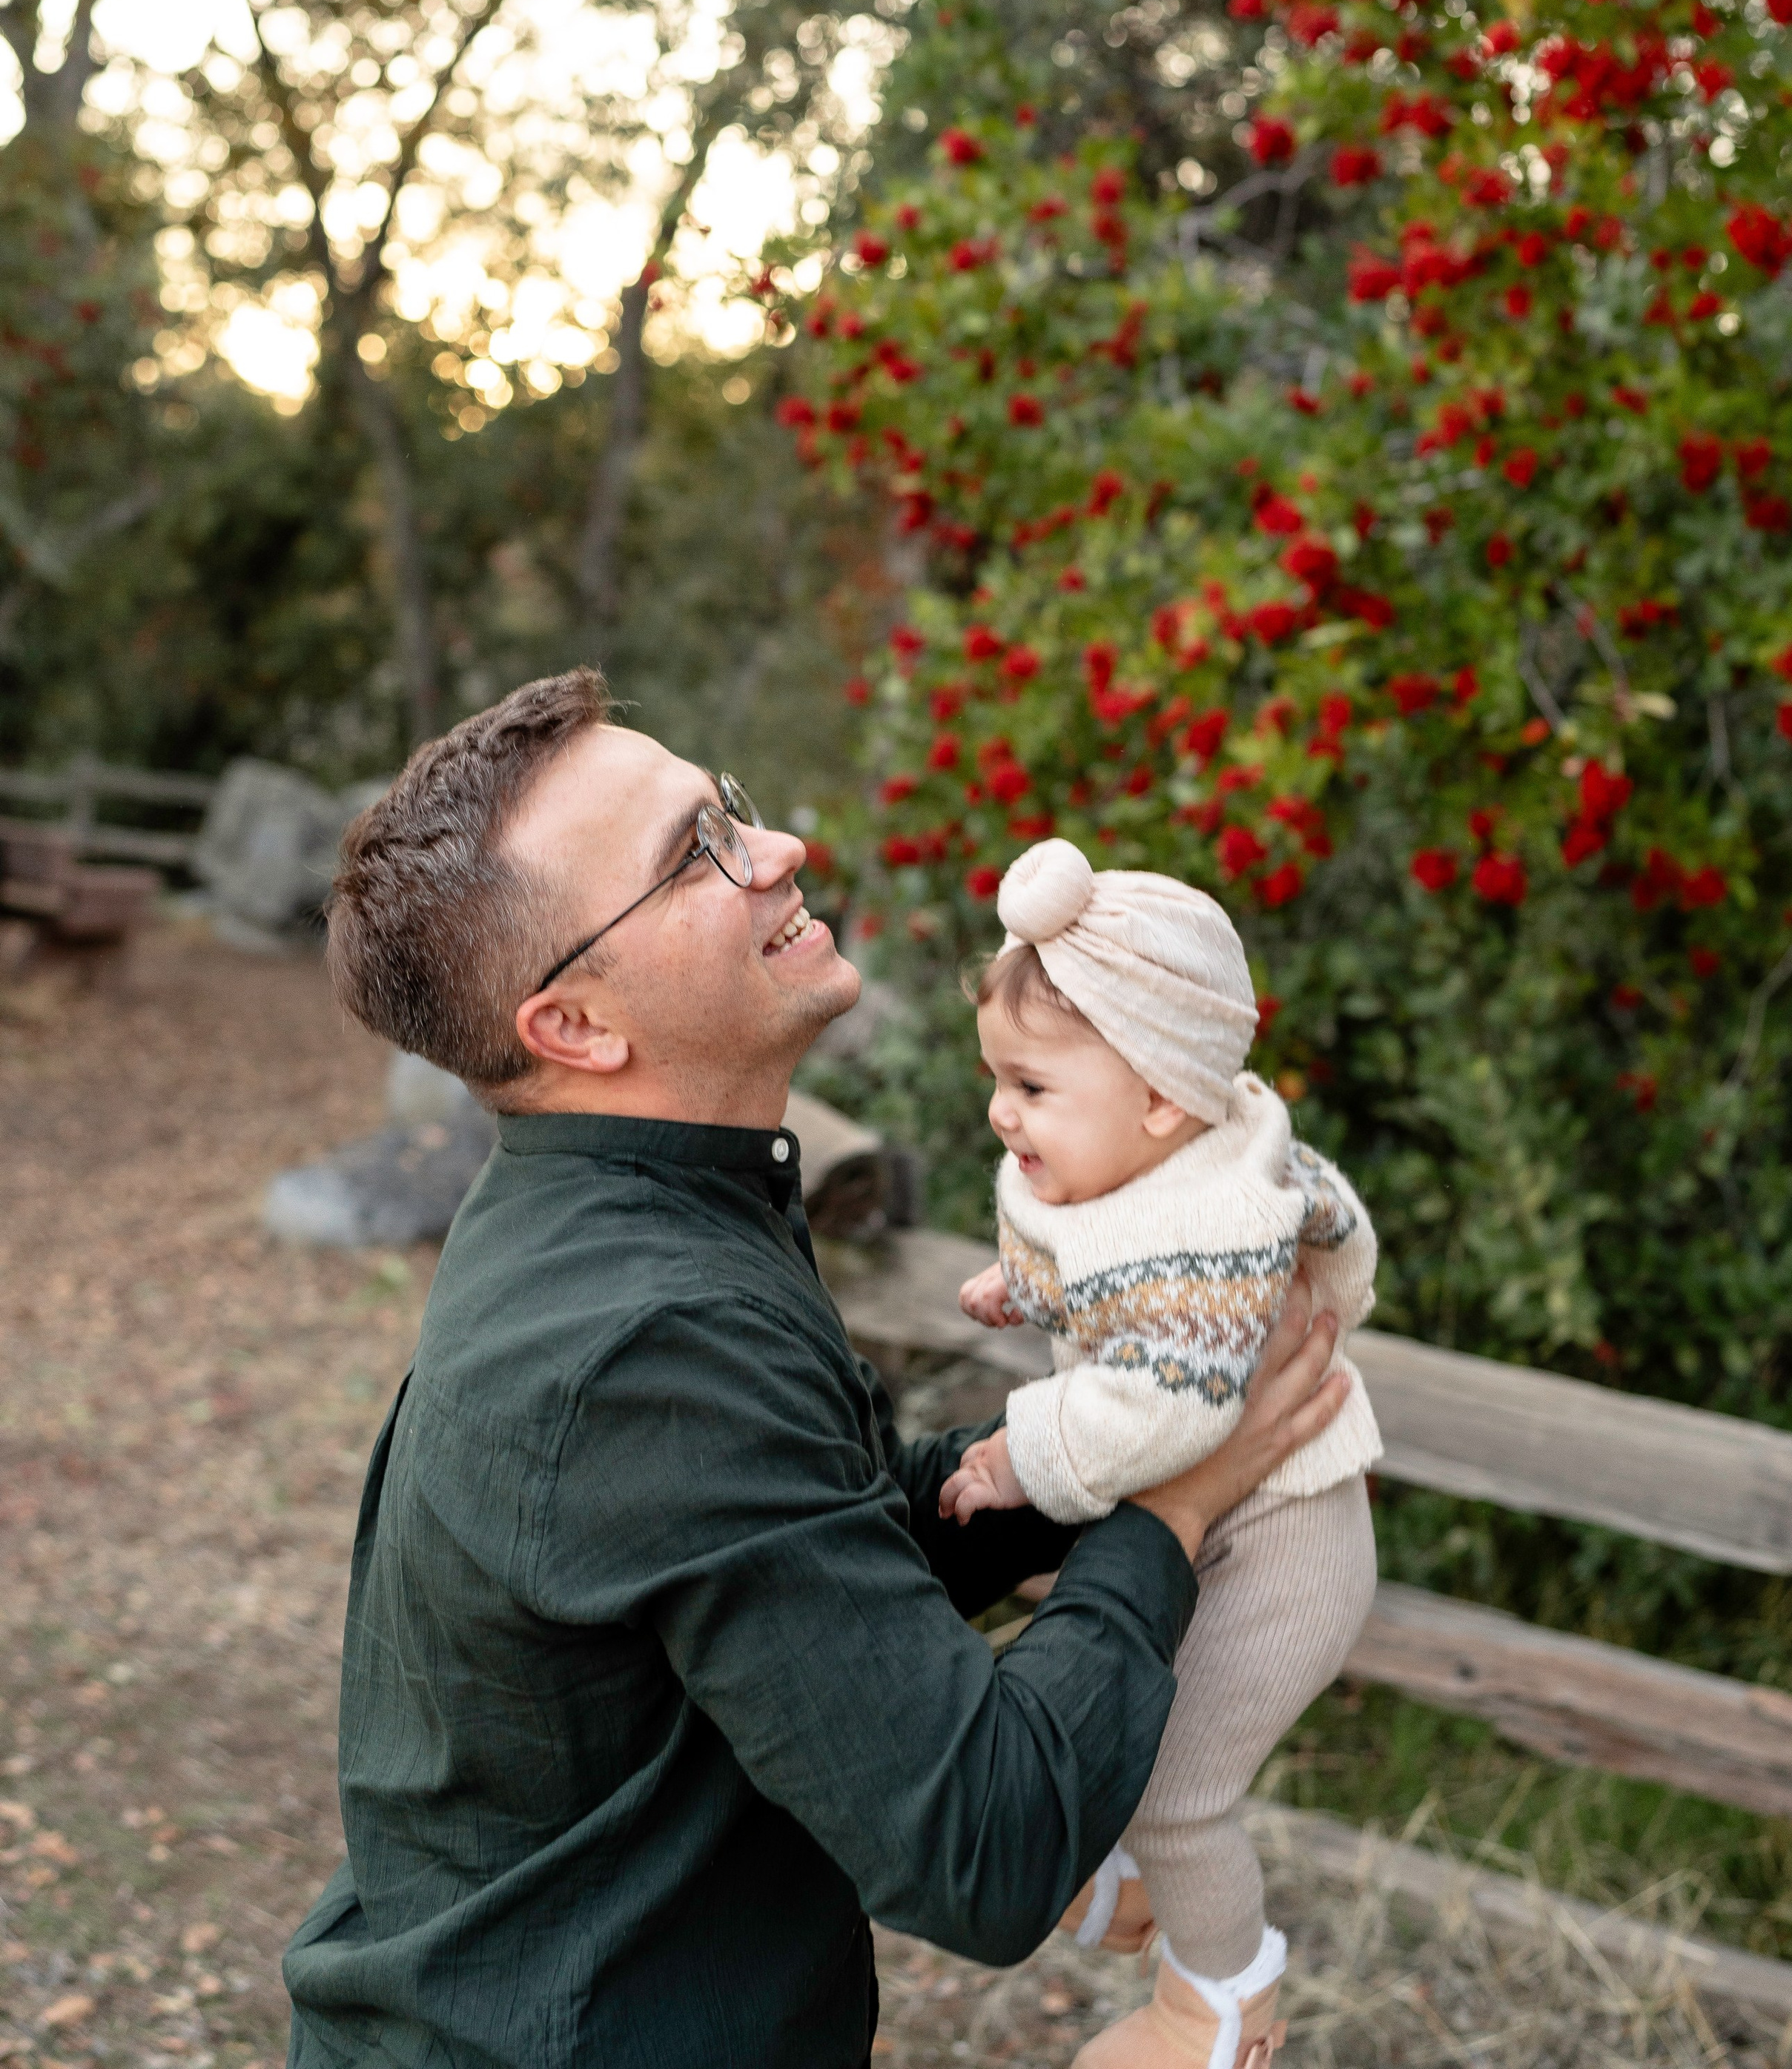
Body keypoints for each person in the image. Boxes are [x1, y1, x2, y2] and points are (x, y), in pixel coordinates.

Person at [281, 670, 1352, 2069]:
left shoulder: (633, 1210)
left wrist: (1079, 1448)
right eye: (694, 854)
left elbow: (806, 1539)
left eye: (726, 804)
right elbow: (983, 1844)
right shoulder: (647, 1343)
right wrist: (1176, 1503)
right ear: (577, 1030)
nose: (773, 848)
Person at [939, 836, 1382, 2069]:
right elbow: (1324, 1228)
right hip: (1225, 1526)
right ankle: (1134, 1893)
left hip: (1288, 1547)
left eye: (1030, 1088)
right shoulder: (1175, 1147)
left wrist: (1020, 1455)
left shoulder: (1209, 1227)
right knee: (1132, 1731)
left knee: (1185, 1787)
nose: (1000, 1112)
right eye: (999, 1080)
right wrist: (1028, 1286)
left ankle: (1226, 2003)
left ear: (1159, 1101)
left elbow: (1166, 1414)